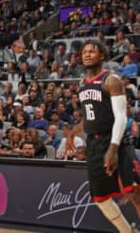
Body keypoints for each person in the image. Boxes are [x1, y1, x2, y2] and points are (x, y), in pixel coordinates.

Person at [67, 40, 140, 232]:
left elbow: (121, 117)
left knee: (134, 191)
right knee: (100, 198)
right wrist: (71, 134)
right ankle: (127, 231)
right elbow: (90, 119)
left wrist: (113, 149)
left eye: (92, 51)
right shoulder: (82, 83)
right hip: (94, 144)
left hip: (116, 142)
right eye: (84, 52)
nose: (87, 54)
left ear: (102, 56)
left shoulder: (111, 80)